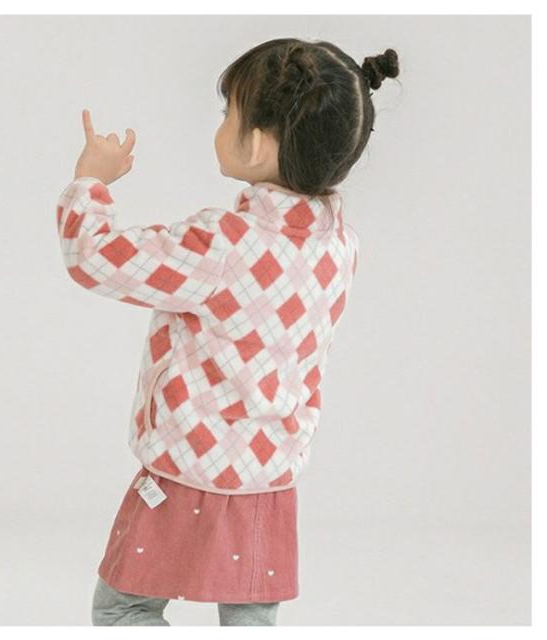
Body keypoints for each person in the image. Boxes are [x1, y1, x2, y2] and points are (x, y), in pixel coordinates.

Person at [55, 37, 399, 626]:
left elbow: (95, 258)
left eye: (228, 114)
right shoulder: (340, 247)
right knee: (249, 624)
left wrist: (91, 183)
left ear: (259, 143)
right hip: (270, 482)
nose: (220, 126)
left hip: (187, 472)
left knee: (122, 611)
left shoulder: (223, 245)